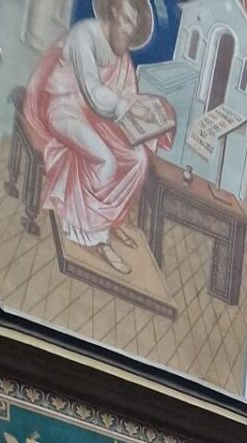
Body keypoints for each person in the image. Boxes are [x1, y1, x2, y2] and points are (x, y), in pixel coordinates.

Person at [22, 0, 173, 276]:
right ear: (112, 13)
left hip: (97, 118)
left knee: (138, 159)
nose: (129, 30)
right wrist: (125, 107)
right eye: (126, 21)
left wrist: (148, 117)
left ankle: (108, 219)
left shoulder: (121, 56)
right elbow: (92, 92)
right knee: (106, 160)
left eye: (134, 26)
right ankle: (95, 237)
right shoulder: (85, 35)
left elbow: (127, 95)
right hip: (64, 108)